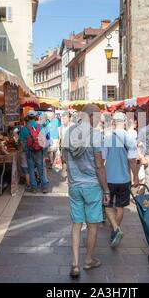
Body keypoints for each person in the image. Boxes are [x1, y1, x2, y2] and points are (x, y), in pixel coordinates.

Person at [62, 104, 110, 278]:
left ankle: (75, 265)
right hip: (91, 186)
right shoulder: (95, 136)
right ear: (90, 116)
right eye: (97, 116)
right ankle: (88, 260)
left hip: (74, 185)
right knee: (92, 224)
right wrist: (106, 190)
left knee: (76, 224)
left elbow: (64, 159)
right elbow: (99, 166)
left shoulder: (68, 133)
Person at [103, 112, 139, 248]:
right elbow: (132, 161)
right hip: (124, 179)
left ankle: (116, 229)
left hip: (109, 178)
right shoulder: (130, 138)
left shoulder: (107, 138)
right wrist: (135, 176)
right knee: (120, 207)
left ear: (113, 123)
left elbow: (103, 159)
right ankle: (115, 230)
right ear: (124, 123)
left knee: (107, 205)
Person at [19, 110, 49, 193]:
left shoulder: (24, 128)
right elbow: (46, 139)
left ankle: (34, 188)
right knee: (41, 169)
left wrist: (25, 149)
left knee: (31, 170)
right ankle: (44, 187)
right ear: (36, 117)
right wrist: (45, 152)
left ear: (28, 117)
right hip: (39, 151)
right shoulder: (40, 127)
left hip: (29, 152)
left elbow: (21, 141)